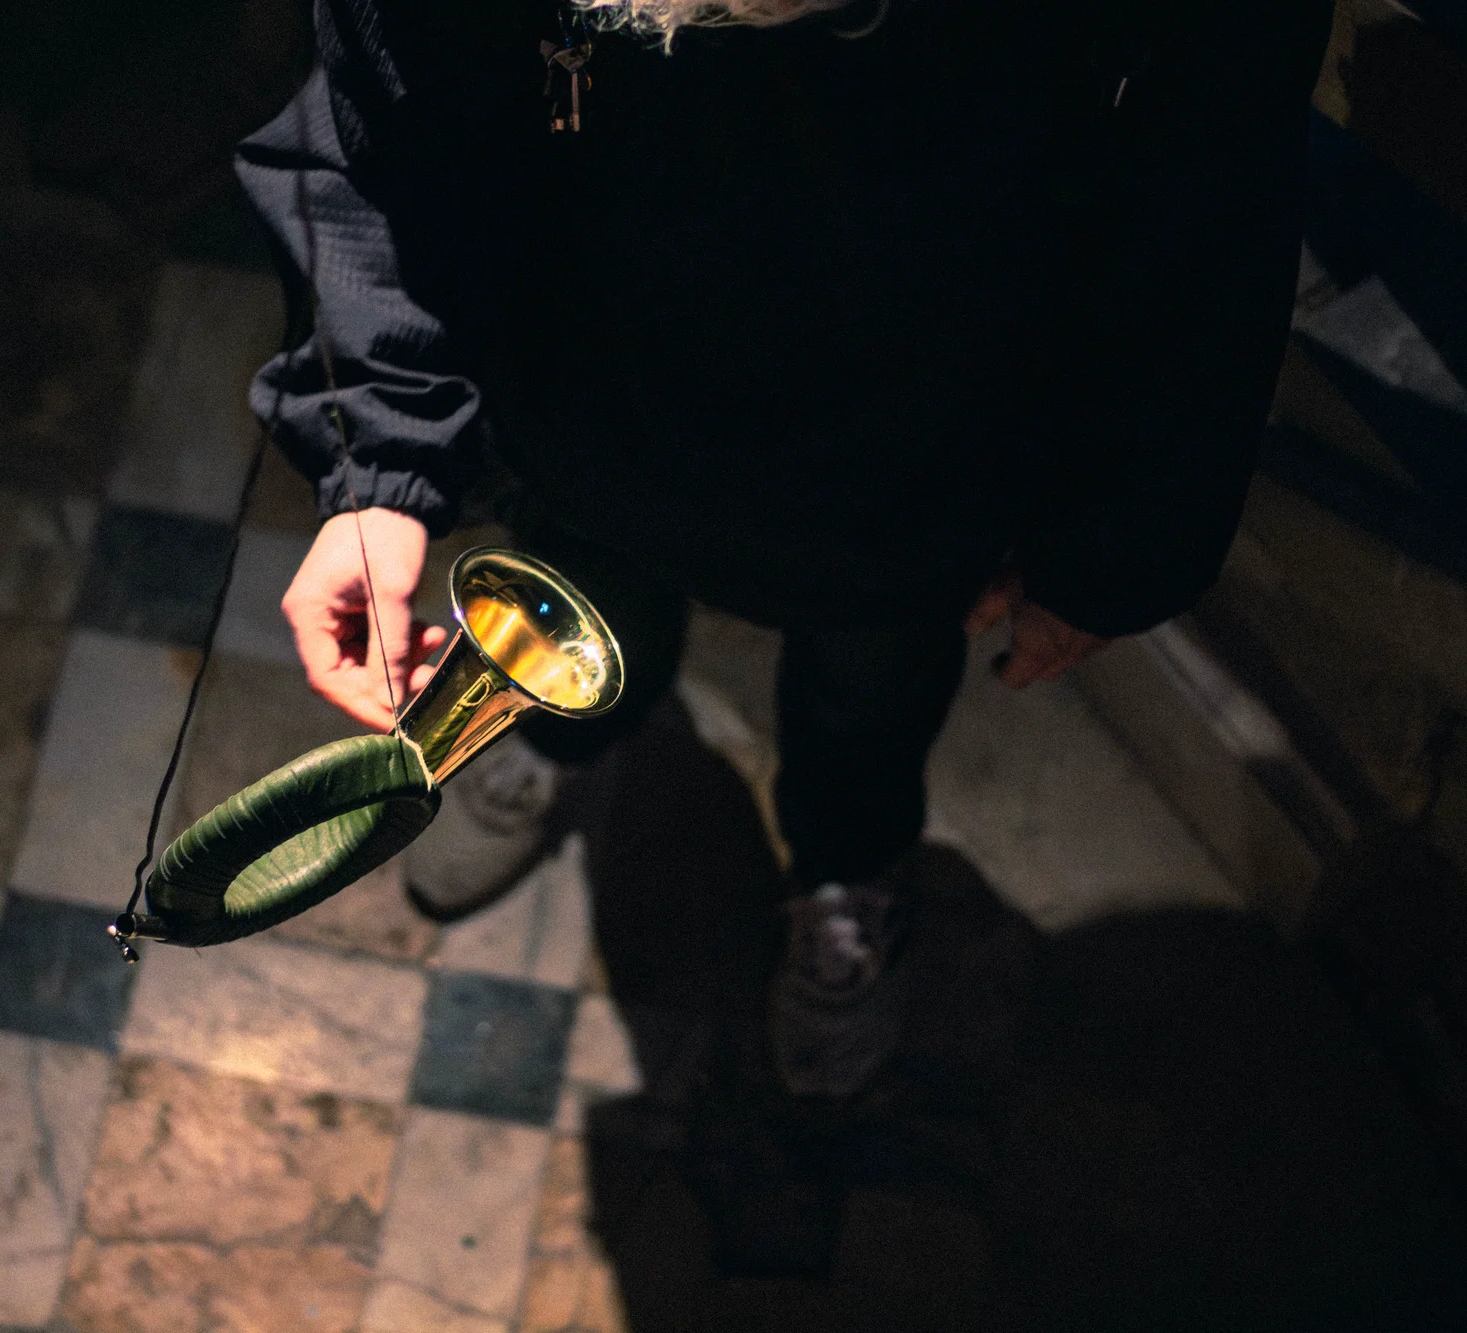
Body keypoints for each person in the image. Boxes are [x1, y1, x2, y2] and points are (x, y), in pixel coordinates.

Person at [238, 0, 1333, 1101]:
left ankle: (846, 871)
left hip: (924, 442)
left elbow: (1213, 192)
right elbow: (391, 96)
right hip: (598, 386)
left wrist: (1119, 548)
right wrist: (371, 446)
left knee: (868, 700)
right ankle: (561, 738)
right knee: (576, 609)